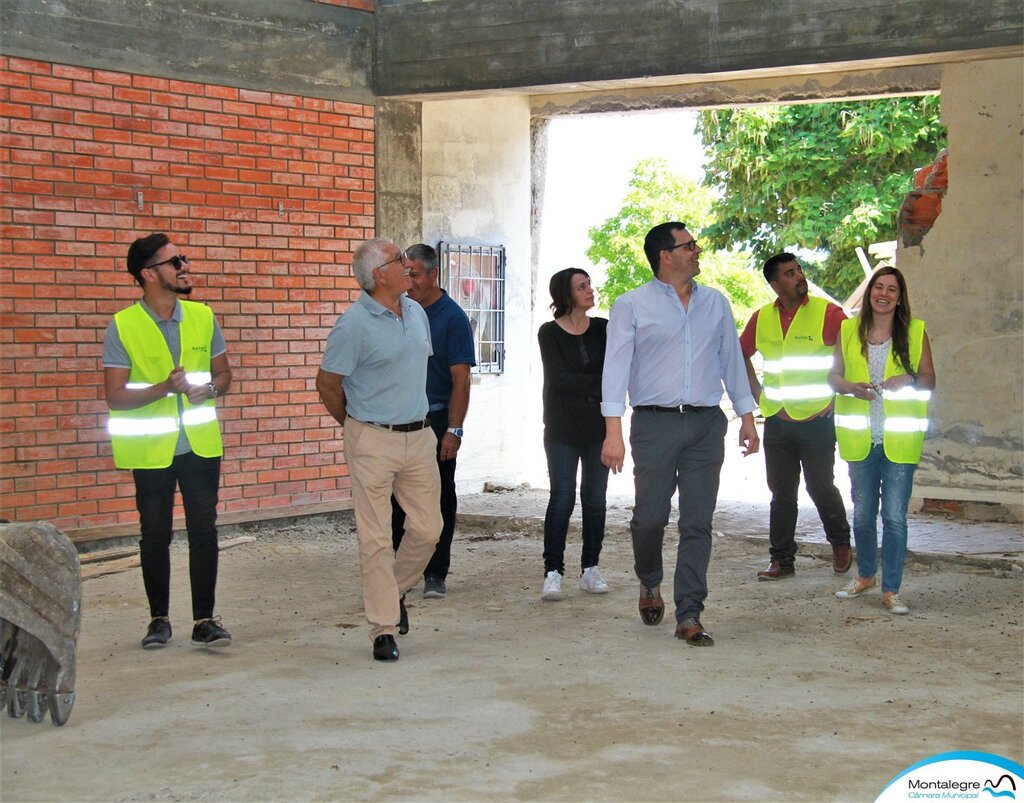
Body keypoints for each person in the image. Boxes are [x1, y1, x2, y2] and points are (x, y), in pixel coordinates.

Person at [601, 222, 759, 647]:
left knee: (697, 522)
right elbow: (614, 370)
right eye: (689, 246)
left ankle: (689, 612)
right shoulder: (631, 305)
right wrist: (612, 432)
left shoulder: (716, 304)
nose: (697, 251)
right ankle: (649, 579)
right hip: (654, 423)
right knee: (650, 517)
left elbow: (731, 361)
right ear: (665, 256)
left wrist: (746, 416)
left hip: (707, 424)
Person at [103, 233, 233, 650]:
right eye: (175, 261)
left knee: (204, 531)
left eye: (183, 259)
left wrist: (208, 390)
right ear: (148, 274)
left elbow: (224, 375)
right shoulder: (123, 325)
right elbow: (115, 396)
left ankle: (204, 620)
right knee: (154, 534)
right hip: (151, 449)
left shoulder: (202, 316)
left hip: (199, 445)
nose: (184, 267)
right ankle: (158, 620)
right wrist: (164, 388)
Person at [316, 238, 442, 661]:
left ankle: (394, 590)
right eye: (398, 260)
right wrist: (355, 427)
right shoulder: (352, 325)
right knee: (376, 539)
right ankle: (383, 629)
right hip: (371, 438)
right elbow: (327, 384)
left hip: (419, 437)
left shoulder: (416, 313)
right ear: (378, 275)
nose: (408, 265)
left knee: (429, 530)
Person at [829, 265, 935, 615]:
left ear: (900, 297)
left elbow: (929, 381)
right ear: (870, 292)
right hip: (860, 440)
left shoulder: (916, 332)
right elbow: (834, 377)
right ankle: (865, 576)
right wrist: (848, 387)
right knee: (861, 517)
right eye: (879, 287)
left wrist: (909, 378)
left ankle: (891, 589)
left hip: (899, 443)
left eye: (892, 289)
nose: (884, 294)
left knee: (894, 518)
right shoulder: (848, 330)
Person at [740, 253, 853, 581]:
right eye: (790, 273)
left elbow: (849, 351)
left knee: (820, 486)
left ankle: (840, 541)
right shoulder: (761, 318)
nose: (799, 277)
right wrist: (756, 393)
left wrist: (836, 391)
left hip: (817, 419)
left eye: (799, 270)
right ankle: (782, 560)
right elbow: (739, 353)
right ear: (775, 284)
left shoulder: (828, 313)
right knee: (781, 493)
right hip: (777, 419)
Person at [391, 244, 476, 599]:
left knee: (439, 496)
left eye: (415, 274)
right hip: (397, 419)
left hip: (436, 418)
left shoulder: (451, 318)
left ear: (433, 274)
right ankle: (399, 572)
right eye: (404, 273)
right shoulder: (397, 311)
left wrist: (454, 430)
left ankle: (436, 572)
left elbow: (461, 379)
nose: (408, 282)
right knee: (396, 498)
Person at [537, 268, 610, 601]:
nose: (590, 291)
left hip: (599, 428)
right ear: (566, 295)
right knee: (562, 498)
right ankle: (553, 572)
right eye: (582, 287)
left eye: (589, 285)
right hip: (562, 428)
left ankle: (590, 568)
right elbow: (561, 379)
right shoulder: (549, 333)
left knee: (595, 500)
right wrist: (601, 383)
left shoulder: (604, 328)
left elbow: (619, 369)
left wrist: (601, 386)